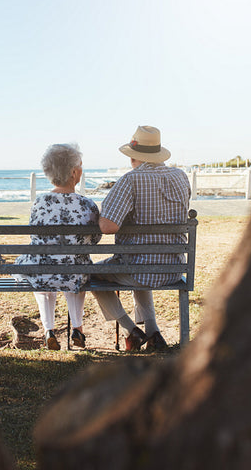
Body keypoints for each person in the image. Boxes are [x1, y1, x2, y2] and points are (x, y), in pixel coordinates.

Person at [93, 125, 191, 352]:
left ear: (132, 156)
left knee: (93, 276)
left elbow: (108, 226)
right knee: (142, 263)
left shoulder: (131, 180)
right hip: (174, 268)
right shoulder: (181, 177)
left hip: (139, 268)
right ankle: (154, 333)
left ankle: (131, 330)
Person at [14, 143, 100, 350]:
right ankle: (77, 329)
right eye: (80, 165)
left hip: (43, 270)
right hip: (75, 272)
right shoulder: (87, 204)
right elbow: (95, 238)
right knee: (73, 272)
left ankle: (49, 331)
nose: (81, 169)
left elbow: (35, 235)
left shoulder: (40, 202)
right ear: (73, 172)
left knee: (42, 274)